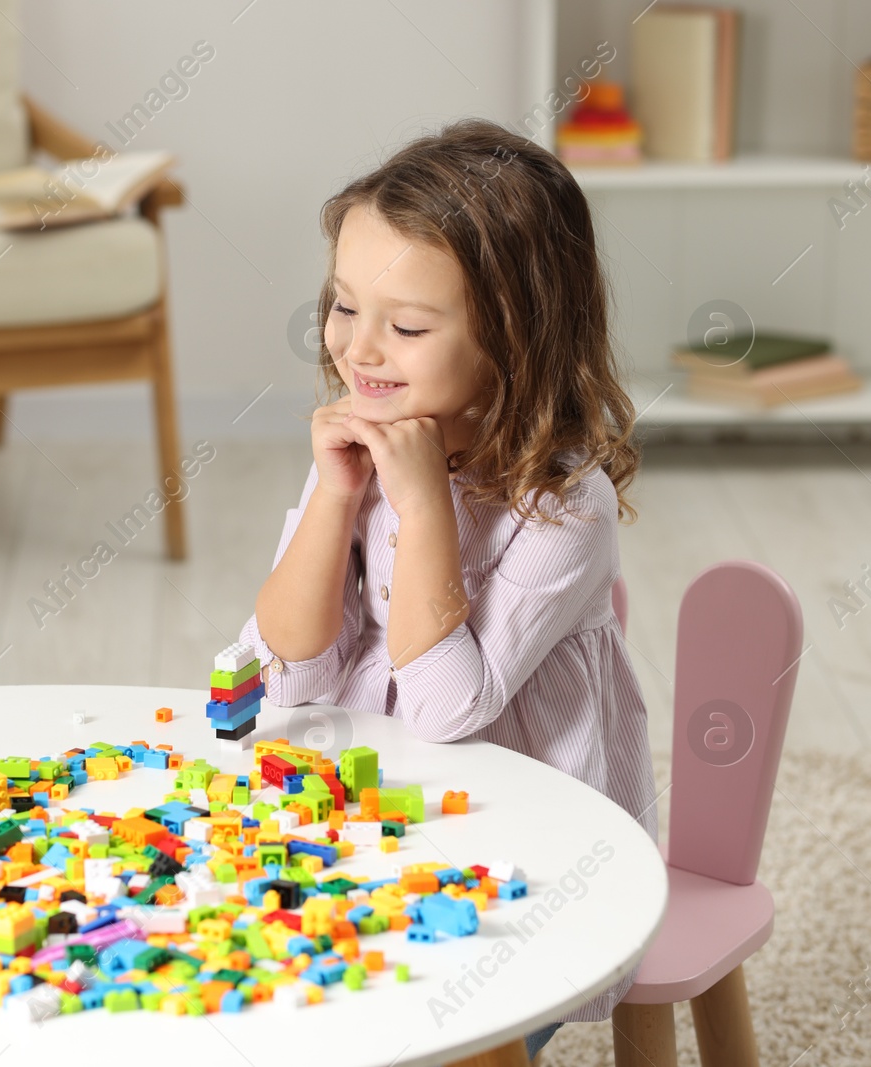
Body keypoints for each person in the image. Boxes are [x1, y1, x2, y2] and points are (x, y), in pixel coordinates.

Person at [238, 117, 659, 1057]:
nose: (361, 350)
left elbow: (445, 709)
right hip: (369, 832)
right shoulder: (358, 443)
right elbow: (281, 671)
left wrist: (424, 510)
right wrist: (338, 496)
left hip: (520, 867)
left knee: (433, 1033)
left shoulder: (563, 504)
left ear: (514, 334)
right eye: (345, 307)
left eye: (410, 326)